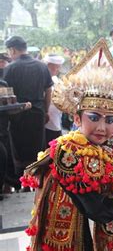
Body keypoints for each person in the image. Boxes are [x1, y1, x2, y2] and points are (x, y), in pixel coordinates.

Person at [20, 39, 113, 250]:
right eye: (94, 117)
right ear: (77, 119)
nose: (102, 127)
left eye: (110, 119)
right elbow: (94, 207)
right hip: (74, 234)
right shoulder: (68, 152)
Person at [4, 36, 53, 188]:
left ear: (12, 50)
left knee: (18, 150)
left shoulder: (10, 68)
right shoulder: (41, 66)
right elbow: (48, 90)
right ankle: (38, 182)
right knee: (37, 148)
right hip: (38, 112)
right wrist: (45, 111)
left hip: (16, 114)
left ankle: (21, 183)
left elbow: (6, 95)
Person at [43, 54, 65, 145]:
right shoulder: (43, 78)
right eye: (55, 67)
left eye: (58, 67)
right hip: (48, 112)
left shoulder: (56, 79)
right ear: (48, 66)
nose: (57, 70)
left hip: (57, 112)